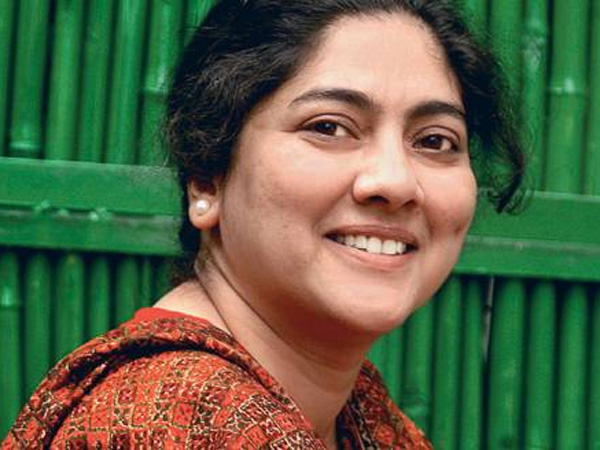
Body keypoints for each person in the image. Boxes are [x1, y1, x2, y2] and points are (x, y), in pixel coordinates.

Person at [3, 0, 524, 448]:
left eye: (435, 140)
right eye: (329, 127)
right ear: (207, 180)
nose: (394, 181)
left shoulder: (356, 412)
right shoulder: (179, 418)